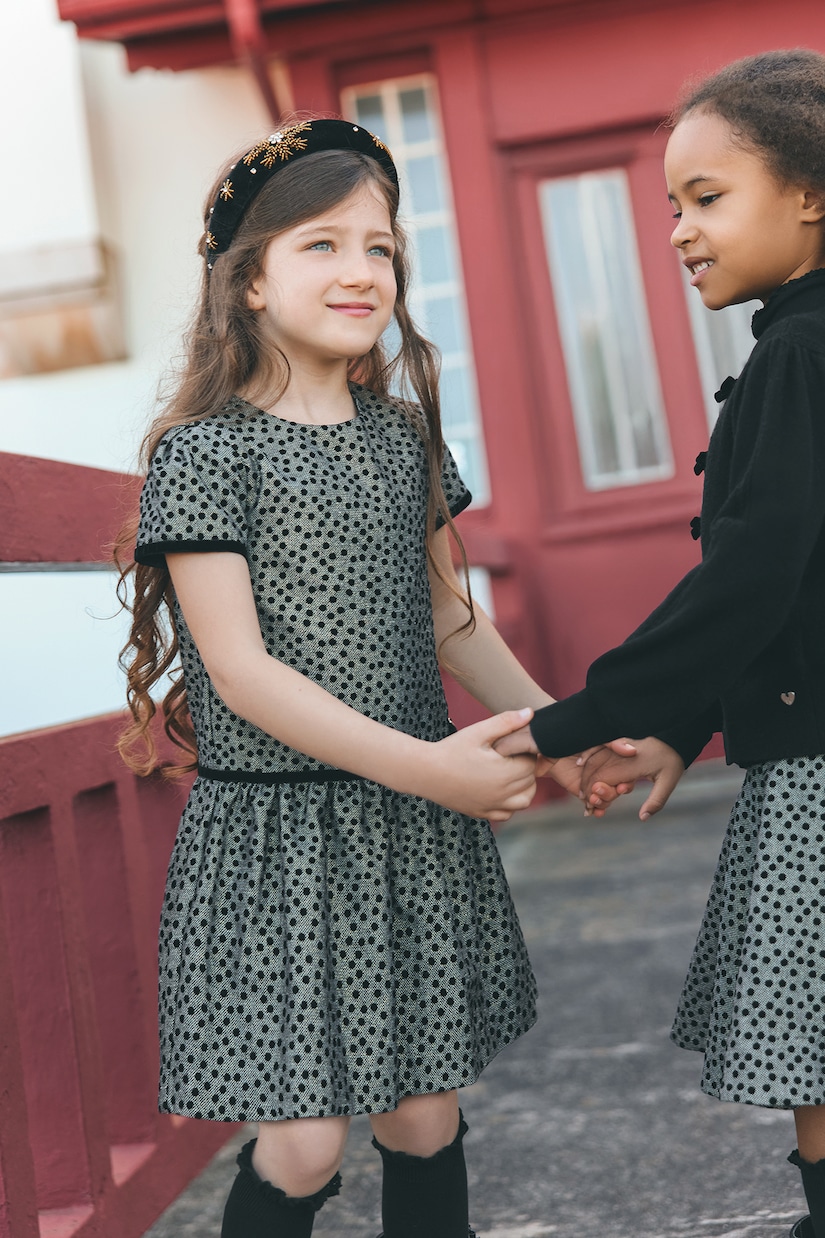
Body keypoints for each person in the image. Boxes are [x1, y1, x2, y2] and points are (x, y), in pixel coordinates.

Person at [115, 118, 625, 1238]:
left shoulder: (405, 439)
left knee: (424, 1114)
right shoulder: (208, 453)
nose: (361, 270)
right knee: (301, 1138)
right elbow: (239, 672)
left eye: (382, 248)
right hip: (280, 835)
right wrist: (433, 769)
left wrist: (560, 726)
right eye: (321, 245)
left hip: (409, 824)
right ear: (247, 282)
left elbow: (449, 615)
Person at [497, 48, 825, 1238]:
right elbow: (790, 592)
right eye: (669, 206)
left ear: (810, 193)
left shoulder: (797, 352)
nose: (680, 230)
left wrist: (569, 720)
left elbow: (751, 575)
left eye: (707, 196)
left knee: (813, 1051)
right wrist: (682, 724)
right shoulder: (793, 345)